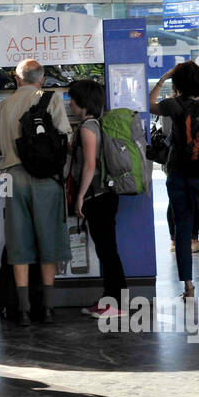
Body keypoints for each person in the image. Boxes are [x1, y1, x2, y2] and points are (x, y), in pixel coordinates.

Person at [0, 58, 70, 325]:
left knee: (19, 241)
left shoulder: (3, 106)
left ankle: (23, 310)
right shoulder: (51, 100)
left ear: (17, 79)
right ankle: (49, 307)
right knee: (48, 239)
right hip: (48, 180)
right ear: (41, 79)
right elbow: (66, 136)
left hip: (13, 178)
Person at [149, 61, 199, 299]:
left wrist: (163, 78)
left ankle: (188, 287)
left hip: (179, 174)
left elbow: (148, 105)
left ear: (178, 83)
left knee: (183, 229)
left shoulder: (174, 104)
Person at [67, 80, 126, 318]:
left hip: (97, 195)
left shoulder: (88, 127)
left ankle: (117, 304)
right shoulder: (98, 124)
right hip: (107, 195)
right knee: (106, 249)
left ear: (82, 102)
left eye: (72, 99)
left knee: (107, 250)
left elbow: (90, 165)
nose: (69, 104)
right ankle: (109, 299)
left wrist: (80, 196)